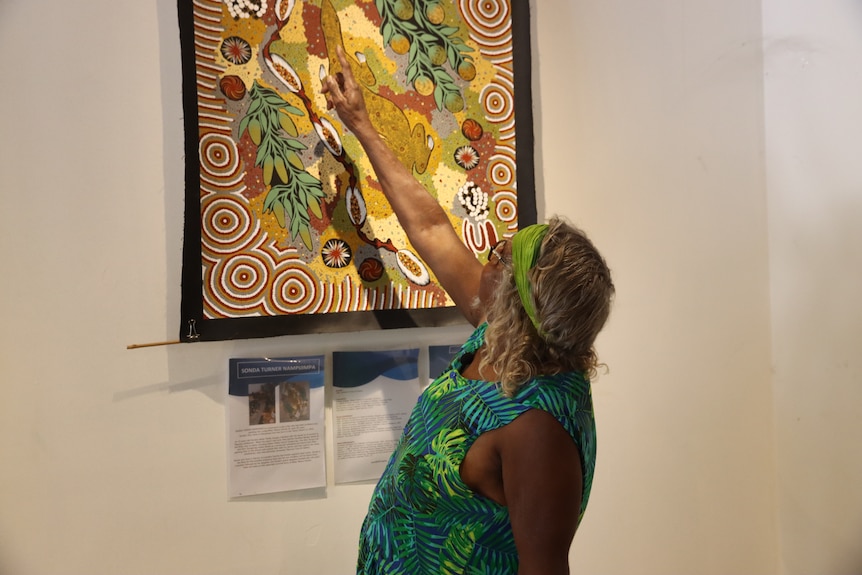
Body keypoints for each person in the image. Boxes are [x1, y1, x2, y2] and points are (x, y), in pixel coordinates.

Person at [323, 46, 614, 575]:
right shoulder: (501, 337)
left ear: (523, 304)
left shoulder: (536, 428)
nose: (495, 247)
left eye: (505, 257)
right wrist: (361, 124)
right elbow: (431, 228)